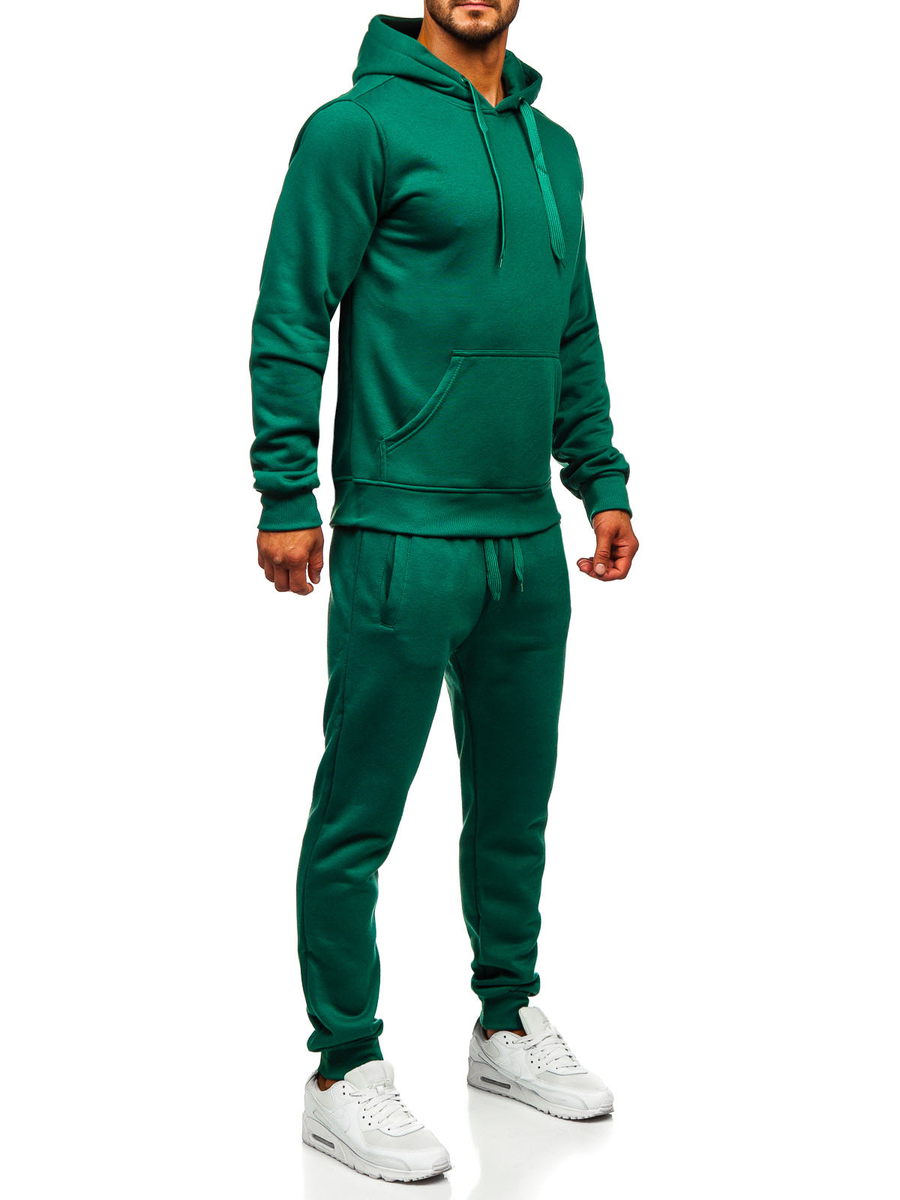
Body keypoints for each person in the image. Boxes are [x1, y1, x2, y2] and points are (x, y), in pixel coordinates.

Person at [249, 2, 639, 1183]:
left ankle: (505, 1020)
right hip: (400, 528)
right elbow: (291, 310)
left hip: (525, 536)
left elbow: (572, 327)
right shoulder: (355, 128)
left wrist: (600, 477)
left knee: (515, 807)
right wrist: (285, 489)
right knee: (359, 815)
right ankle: (342, 1068)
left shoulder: (551, 144)